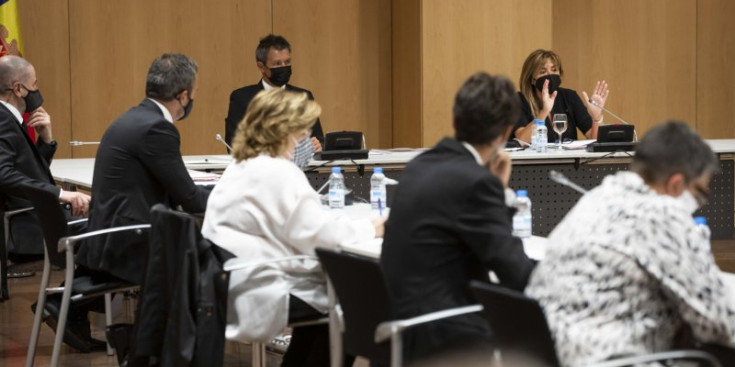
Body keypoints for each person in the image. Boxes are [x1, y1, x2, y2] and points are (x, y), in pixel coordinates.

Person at [526, 122, 735, 366]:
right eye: (701, 192)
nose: (700, 202)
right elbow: (718, 325)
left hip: (543, 353)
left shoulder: (600, 195)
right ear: (676, 184)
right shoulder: (663, 214)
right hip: (605, 358)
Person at [203, 88, 383, 367]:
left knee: (327, 307)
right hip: (262, 285)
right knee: (352, 302)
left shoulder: (241, 166)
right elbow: (324, 239)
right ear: (283, 130)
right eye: (301, 132)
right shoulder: (279, 172)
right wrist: (372, 228)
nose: (305, 141)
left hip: (235, 281)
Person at [379, 72, 537, 362]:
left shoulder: (420, 164)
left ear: (455, 121)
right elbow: (515, 273)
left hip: (399, 325)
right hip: (446, 336)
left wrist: (496, 189)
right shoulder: (475, 182)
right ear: (505, 133)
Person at [76, 53, 210, 285]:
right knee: (215, 258)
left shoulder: (132, 117)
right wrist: (233, 194)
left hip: (105, 241)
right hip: (131, 246)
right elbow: (192, 201)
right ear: (184, 96)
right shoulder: (157, 129)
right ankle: (179, 321)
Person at [224, 34, 323, 167]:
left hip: (302, 174)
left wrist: (318, 145)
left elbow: (319, 140)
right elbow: (233, 145)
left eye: (287, 62)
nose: (284, 67)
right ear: (261, 66)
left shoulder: (303, 96)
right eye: (277, 64)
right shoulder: (242, 98)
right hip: (258, 174)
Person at [513, 49, 609, 144]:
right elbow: (522, 139)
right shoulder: (518, 101)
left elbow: (594, 139)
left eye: (554, 70)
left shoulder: (570, 97)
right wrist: (544, 112)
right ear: (532, 80)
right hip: (534, 159)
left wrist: (596, 118)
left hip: (568, 159)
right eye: (543, 71)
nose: (550, 75)